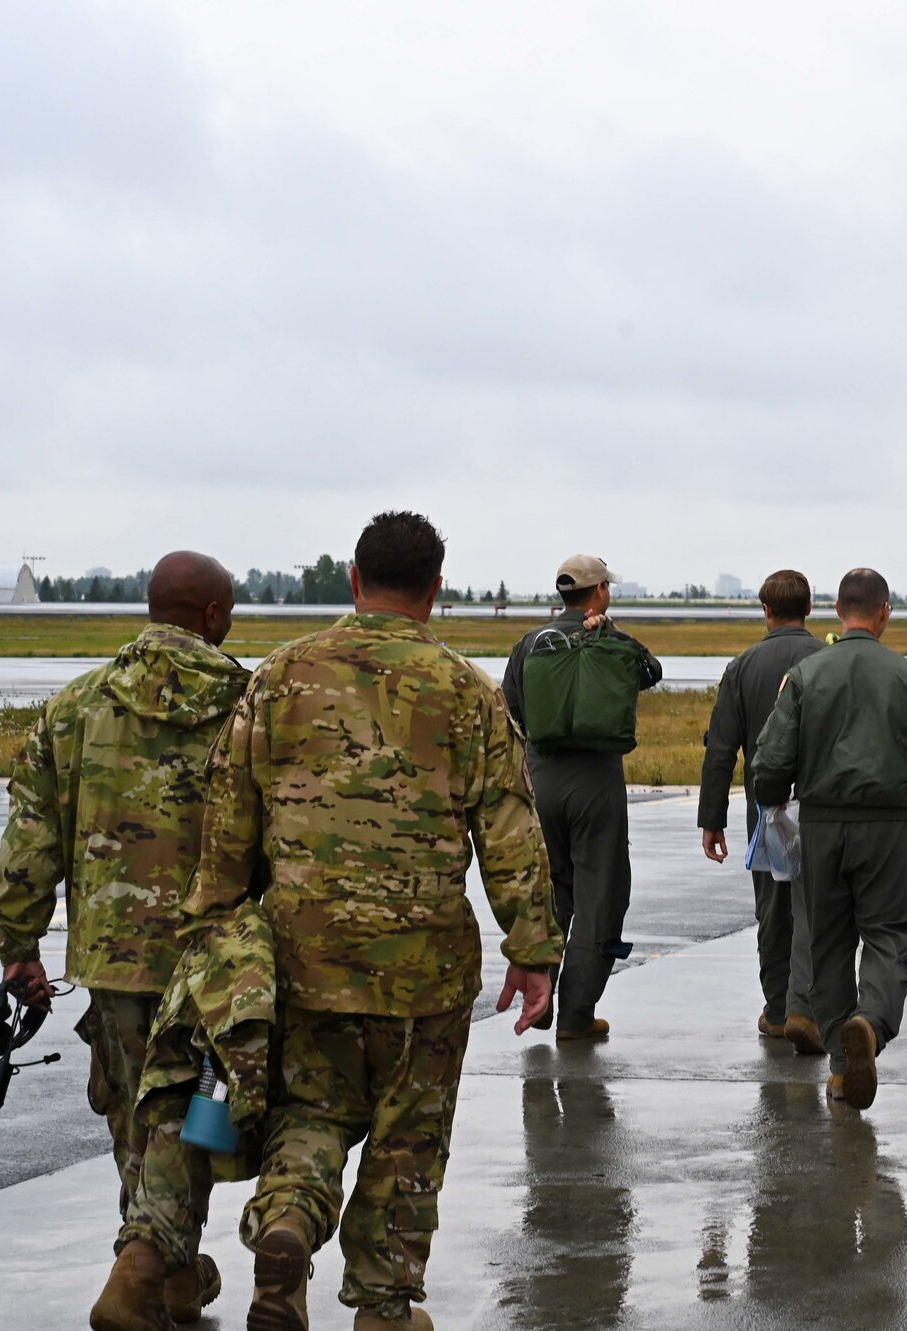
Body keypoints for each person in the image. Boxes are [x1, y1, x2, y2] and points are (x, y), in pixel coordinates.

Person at [185, 512, 562, 1331]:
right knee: (408, 1135)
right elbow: (508, 827)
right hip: (424, 968)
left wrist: (216, 930)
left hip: (302, 957)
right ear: (435, 590)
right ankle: (385, 1305)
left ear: (353, 581)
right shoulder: (465, 689)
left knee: (310, 1112)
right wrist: (533, 952)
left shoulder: (279, 677)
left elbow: (227, 815)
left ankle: (287, 1224)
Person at [0, 551, 247, 1327]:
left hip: (114, 957)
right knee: (201, 1111)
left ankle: (167, 1275)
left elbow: (31, 835)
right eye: (226, 610)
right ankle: (139, 1274)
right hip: (220, 958)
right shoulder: (249, 702)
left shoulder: (76, 705)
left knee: (138, 1114)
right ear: (207, 617)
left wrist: (17, 943)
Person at [752, 569, 907, 1111]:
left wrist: (778, 801)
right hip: (887, 828)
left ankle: (844, 1070)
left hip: (820, 828)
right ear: (885, 612)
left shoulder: (806, 676)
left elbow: (770, 766)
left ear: (838, 612)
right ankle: (870, 1024)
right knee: (891, 935)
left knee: (826, 943)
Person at [501, 555, 662, 1041]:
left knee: (554, 891)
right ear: (598, 593)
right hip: (597, 787)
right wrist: (609, 634)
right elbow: (651, 671)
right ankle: (575, 1014)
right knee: (600, 896)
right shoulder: (610, 638)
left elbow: (510, 705)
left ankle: (541, 992)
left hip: (542, 782)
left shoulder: (531, 644)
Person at [696, 569, 825, 1048]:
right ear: (809, 609)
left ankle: (776, 1010)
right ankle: (806, 1006)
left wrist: (712, 819)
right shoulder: (826, 660)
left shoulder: (741, 666)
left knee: (772, 909)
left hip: (765, 808)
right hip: (818, 806)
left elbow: (720, 750)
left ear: (766, 611)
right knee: (818, 906)